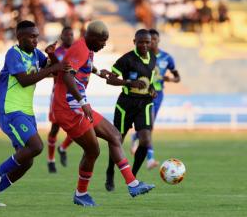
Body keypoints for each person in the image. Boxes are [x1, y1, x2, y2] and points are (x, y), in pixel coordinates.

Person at [51, 21, 155, 207]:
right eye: (102, 41)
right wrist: (83, 103)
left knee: (114, 135)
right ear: (92, 37)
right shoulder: (80, 49)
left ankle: (133, 184)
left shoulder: (87, 47)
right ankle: (81, 194)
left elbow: (85, 65)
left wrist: (99, 72)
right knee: (93, 150)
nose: (104, 45)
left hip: (77, 106)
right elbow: (67, 76)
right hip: (68, 108)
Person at [0, 20, 68, 207]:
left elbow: (55, 71)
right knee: (36, 146)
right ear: (20, 37)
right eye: (32, 36)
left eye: (37, 36)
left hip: (27, 112)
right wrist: (52, 67)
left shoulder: (37, 54)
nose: (36, 40)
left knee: (26, 162)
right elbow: (24, 80)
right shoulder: (13, 54)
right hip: (11, 110)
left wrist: (52, 56)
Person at [104, 29, 157, 192]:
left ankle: (132, 177)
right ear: (134, 42)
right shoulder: (126, 59)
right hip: (126, 105)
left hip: (145, 104)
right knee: (117, 141)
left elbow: (150, 81)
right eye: (141, 42)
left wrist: (152, 89)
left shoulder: (153, 58)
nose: (145, 45)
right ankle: (110, 171)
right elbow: (110, 80)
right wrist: (129, 83)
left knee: (146, 140)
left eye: (147, 42)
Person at [130, 29, 181, 170]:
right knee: (149, 125)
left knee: (149, 126)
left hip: (158, 94)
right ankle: (150, 158)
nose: (151, 42)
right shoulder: (142, 56)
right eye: (149, 40)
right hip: (145, 94)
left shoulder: (166, 58)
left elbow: (178, 77)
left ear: (158, 40)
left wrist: (170, 78)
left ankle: (135, 137)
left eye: (153, 40)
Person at [47, 26, 74, 173]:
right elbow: (48, 70)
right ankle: (51, 160)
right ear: (61, 37)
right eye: (67, 35)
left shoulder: (77, 51)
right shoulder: (56, 53)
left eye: (72, 34)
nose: (69, 37)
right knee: (55, 128)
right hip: (58, 94)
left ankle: (62, 148)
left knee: (79, 127)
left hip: (74, 94)